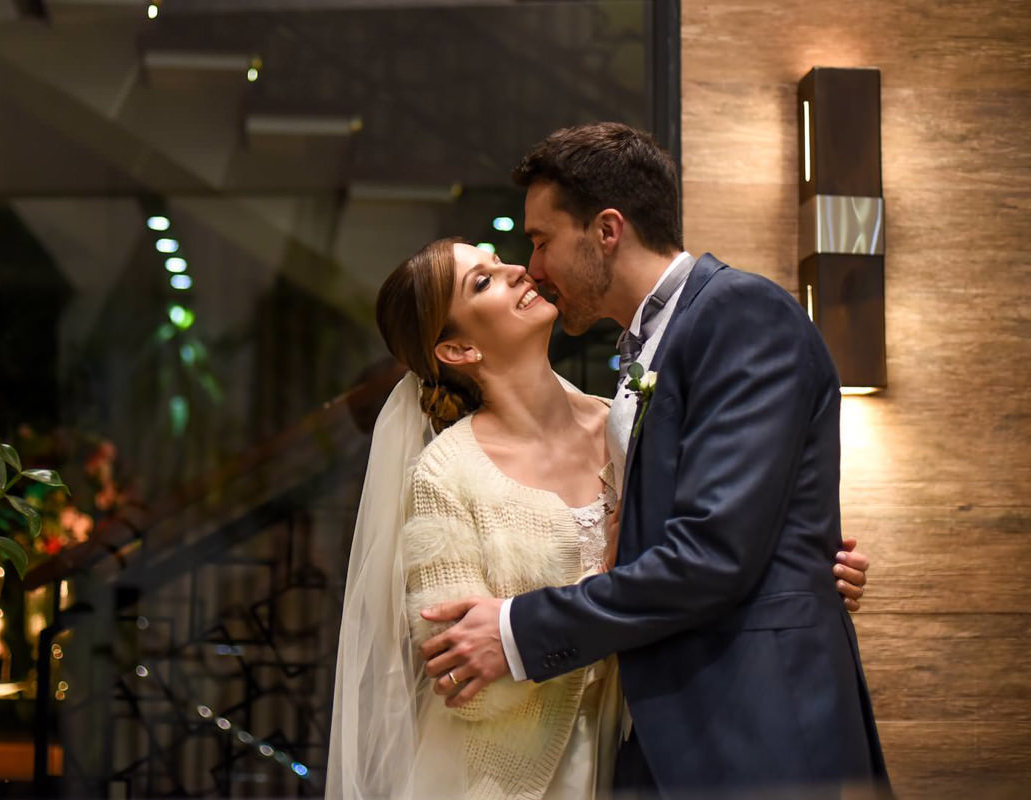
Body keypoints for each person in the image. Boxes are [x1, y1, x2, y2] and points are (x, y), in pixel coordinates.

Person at [418, 123, 889, 795]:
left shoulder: (739, 315)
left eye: (542, 241)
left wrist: (518, 629)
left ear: (606, 230)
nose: (537, 269)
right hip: (670, 738)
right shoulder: (650, 346)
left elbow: (713, 552)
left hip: (760, 732)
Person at [327, 240, 872, 796]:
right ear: (459, 349)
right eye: (483, 282)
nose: (517, 270)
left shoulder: (624, 425)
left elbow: (714, 545)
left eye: (498, 261)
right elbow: (468, 685)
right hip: (527, 779)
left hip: (654, 753)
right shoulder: (444, 477)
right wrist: (607, 603)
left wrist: (796, 566)